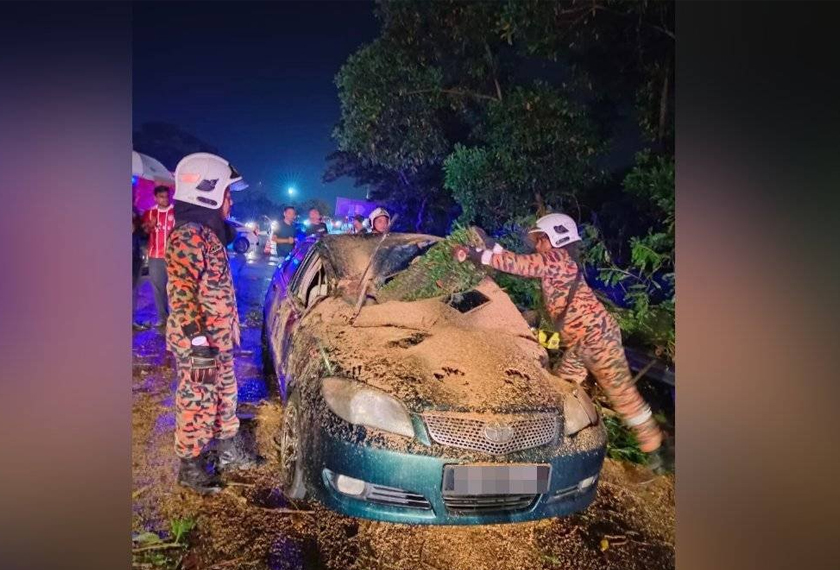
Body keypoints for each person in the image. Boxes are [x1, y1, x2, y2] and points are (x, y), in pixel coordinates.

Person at [454, 213, 669, 472]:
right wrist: (490, 246)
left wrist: (475, 253)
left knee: (622, 393)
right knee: (563, 388)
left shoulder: (558, 258)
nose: (536, 244)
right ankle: (559, 442)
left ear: (553, 238)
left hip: (596, 337)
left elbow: (520, 265)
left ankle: (657, 450)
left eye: (540, 239)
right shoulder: (556, 260)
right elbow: (523, 261)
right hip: (581, 342)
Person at [165, 152, 261, 494]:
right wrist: (197, 340)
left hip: (216, 340)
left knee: (224, 393)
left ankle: (228, 450)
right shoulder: (190, 235)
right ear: (207, 192)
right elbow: (181, 292)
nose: (231, 201)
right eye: (227, 193)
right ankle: (190, 467)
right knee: (197, 399)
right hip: (199, 342)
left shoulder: (208, 234)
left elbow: (218, 281)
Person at [142, 186, 176, 328]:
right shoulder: (150, 212)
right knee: (158, 288)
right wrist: (150, 225)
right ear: (155, 198)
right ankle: (163, 318)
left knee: (175, 288)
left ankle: (177, 318)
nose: (165, 199)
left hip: (173, 256)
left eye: (166, 196)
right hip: (155, 256)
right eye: (161, 197)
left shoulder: (176, 212)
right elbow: (144, 231)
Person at [132, 206, 148, 331]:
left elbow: (141, 235)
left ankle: (132, 320)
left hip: (135, 256)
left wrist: (144, 229)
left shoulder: (135, 212)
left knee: (133, 290)